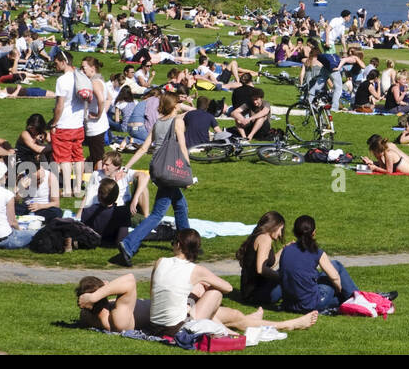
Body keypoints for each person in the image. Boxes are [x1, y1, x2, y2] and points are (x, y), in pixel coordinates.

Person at [150, 229, 318, 335]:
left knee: (235, 316)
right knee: (214, 292)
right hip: (178, 327)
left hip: (157, 322)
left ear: (178, 245)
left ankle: (249, 320)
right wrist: (206, 284)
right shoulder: (196, 270)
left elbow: (154, 293)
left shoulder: (160, 261)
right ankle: (286, 324)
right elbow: (227, 287)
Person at [114, 92, 193, 266]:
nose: (180, 104)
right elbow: (182, 147)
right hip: (170, 170)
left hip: (158, 168)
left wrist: (126, 167)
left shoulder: (158, 123)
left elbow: (143, 148)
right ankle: (128, 244)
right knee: (157, 213)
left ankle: (186, 245)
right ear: (173, 105)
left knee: (180, 206)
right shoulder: (177, 122)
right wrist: (187, 173)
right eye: (178, 102)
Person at [280, 215, 368, 314]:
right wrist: (338, 289)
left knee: (320, 277)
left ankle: (350, 298)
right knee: (336, 264)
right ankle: (357, 298)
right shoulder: (316, 252)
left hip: (289, 305)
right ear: (314, 232)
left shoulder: (285, 250)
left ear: (294, 232)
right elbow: (335, 278)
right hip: (311, 304)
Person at [48, 49, 87, 199]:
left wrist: (54, 123)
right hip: (78, 124)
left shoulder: (62, 80)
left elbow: (60, 106)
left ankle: (67, 189)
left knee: (63, 158)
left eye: (56, 62)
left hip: (64, 125)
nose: (55, 65)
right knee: (78, 156)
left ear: (63, 62)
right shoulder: (80, 76)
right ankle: (77, 188)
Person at [0, 160, 33, 249]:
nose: (6, 177)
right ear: (0, 176)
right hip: (3, 240)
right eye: (5, 175)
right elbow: (12, 222)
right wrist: (19, 231)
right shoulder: (6, 194)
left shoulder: (5, 193)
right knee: (36, 233)